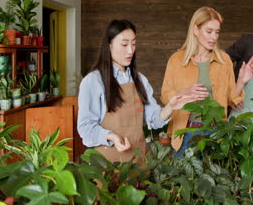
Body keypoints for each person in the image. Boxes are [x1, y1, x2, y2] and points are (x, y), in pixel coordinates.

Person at [77, 20, 199, 163]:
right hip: (105, 165)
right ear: (109, 45)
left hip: (137, 163)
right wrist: (112, 136)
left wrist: (171, 107)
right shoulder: (93, 81)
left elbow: (153, 119)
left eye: (133, 44)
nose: (130, 50)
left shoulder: (140, 80)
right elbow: (85, 128)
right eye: (124, 44)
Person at [161, 7, 253, 156]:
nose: (214, 37)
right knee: (183, 178)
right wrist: (184, 93)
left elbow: (231, 99)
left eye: (217, 32)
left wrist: (242, 81)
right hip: (185, 133)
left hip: (215, 133)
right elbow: (165, 96)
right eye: (209, 31)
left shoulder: (224, 60)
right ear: (196, 30)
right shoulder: (176, 60)